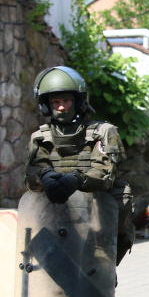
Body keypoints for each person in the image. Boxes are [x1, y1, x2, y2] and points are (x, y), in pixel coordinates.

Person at [25, 66, 134, 262]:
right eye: (55, 102)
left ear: (78, 101)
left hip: (97, 221)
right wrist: (44, 177)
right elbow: (33, 172)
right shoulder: (40, 137)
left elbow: (104, 174)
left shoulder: (103, 132)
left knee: (96, 277)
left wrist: (76, 180)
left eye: (65, 101)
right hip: (56, 218)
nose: (60, 107)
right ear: (45, 106)